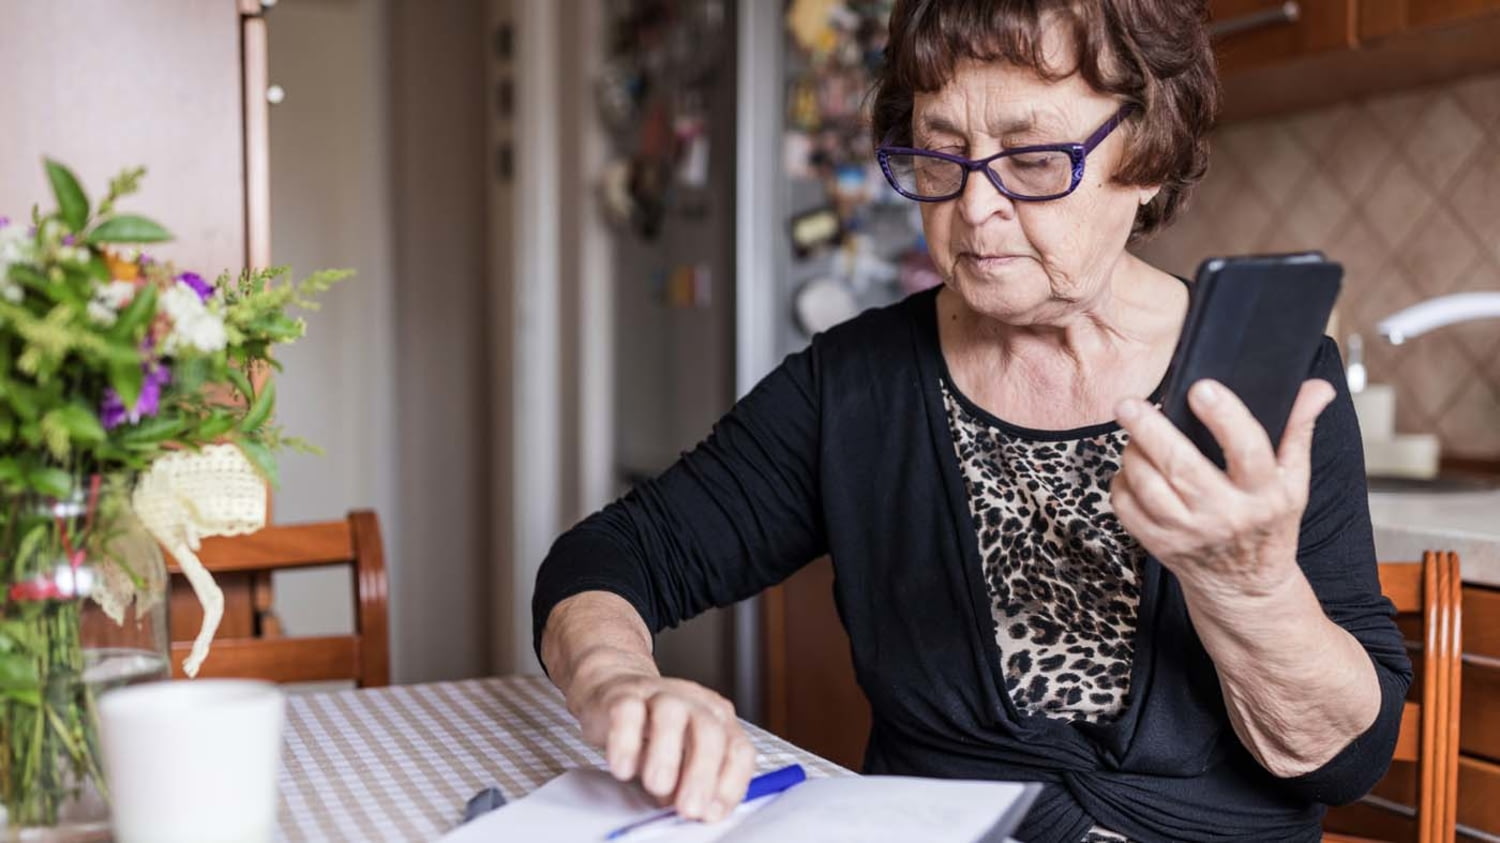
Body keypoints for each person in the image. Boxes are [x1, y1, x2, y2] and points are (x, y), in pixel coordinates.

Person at [532, 1, 1411, 840]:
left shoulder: (1268, 381)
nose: (975, 207)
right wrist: (620, 683)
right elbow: (612, 557)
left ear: (1143, 156)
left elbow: (1344, 761)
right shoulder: (856, 385)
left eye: (1032, 161)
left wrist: (1250, 592)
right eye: (939, 155)